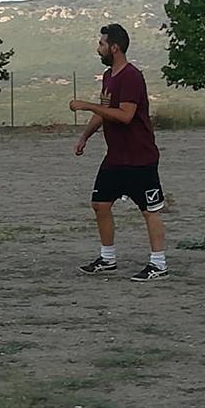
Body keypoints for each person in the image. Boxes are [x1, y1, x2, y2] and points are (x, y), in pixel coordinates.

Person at [70, 23, 169, 281]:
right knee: (100, 204)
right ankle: (108, 259)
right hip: (116, 157)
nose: (98, 48)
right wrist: (85, 136)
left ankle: (158, 264)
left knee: (149, 210)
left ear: (114, 48)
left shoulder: (131, 77)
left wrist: (86, 105)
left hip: (140, 157)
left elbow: (125, 115)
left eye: (101, 44)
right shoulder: (109, 76)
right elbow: (105, 112)